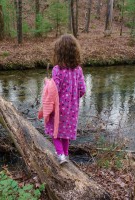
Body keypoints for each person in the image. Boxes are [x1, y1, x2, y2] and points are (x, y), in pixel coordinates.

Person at [42, 34, 86, 164]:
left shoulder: (57, 69)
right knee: (65, 133)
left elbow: (54, 90)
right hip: (72, 109)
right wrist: (73, 99)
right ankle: (66, 154)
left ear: (59, 52)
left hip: (58, 108)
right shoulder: (78, 70)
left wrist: (46, 83)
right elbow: (82, 89)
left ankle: (60, 155)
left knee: (54, 131)